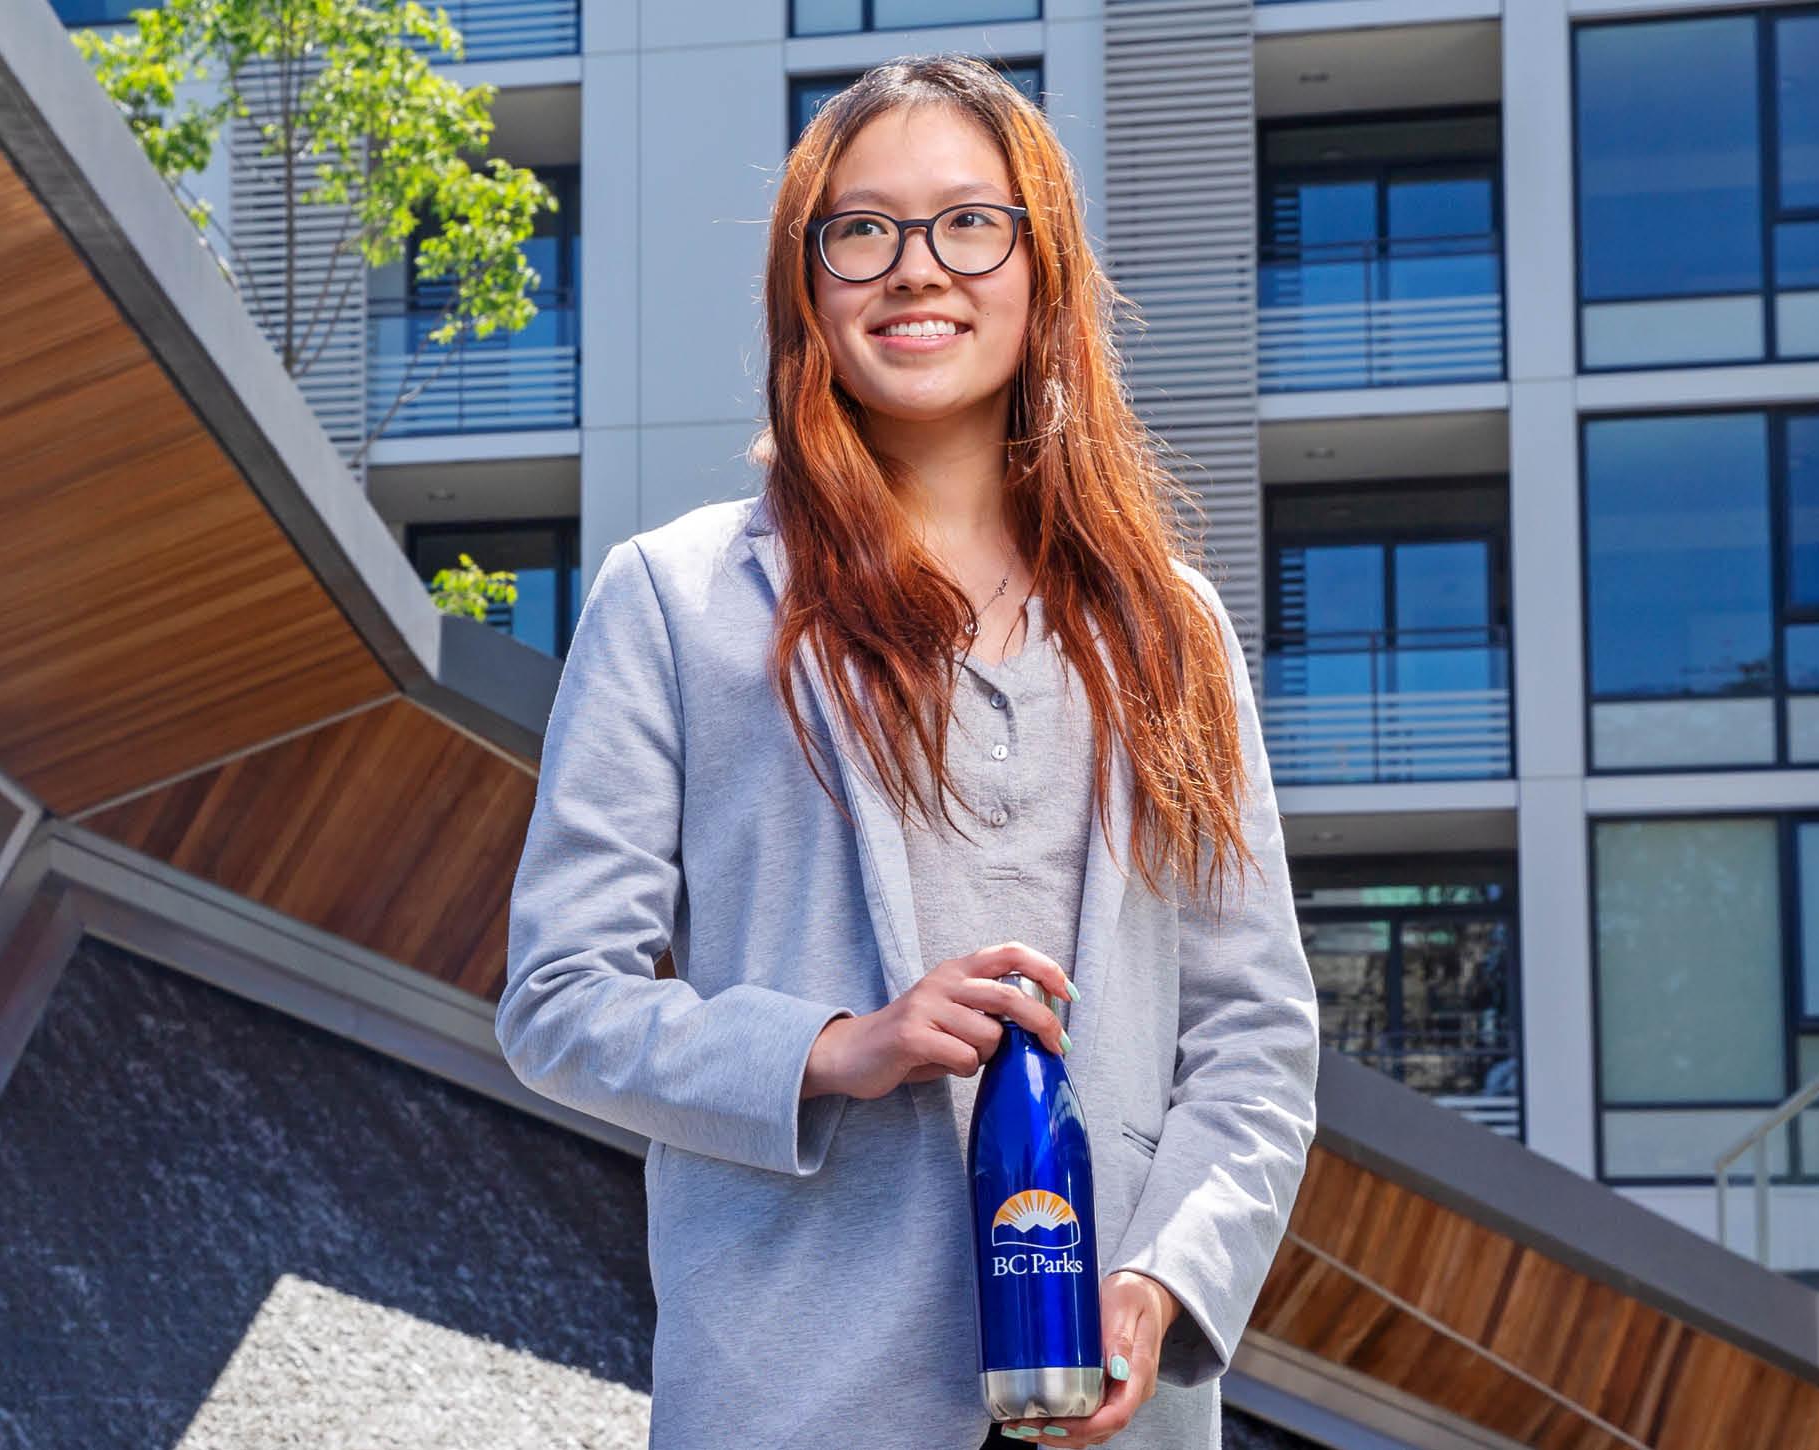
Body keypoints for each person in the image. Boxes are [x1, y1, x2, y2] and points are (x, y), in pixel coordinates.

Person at [495, 55, 1322, 1450]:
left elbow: (1253, 1039)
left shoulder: (1170, 629)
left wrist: (1167, 1276)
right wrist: (835, 1044)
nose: (914, 270)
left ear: (1041, 268)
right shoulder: (678, 599)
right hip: (798, 1394)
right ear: (806, 287)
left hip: (1101, 1404)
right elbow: (560, 998)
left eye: (968, 224)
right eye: (861, 230)